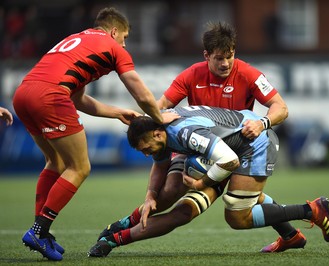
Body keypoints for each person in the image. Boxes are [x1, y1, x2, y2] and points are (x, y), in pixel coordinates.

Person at [93, 21, 306, 255]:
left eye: (230, 56)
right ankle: (125, 224)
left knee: (206, 208)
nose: (225, 63)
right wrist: (152, 118)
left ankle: (298, 223)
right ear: (206, 55)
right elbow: (160, 108)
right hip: (197, 144)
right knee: (169, 191)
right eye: (219, 58)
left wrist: (261, 122)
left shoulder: (248, 73)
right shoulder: (191, 75)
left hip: (236, 147)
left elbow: (281, 108)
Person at [13, 7, 175, 261]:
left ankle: (41, 232)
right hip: (50, 96)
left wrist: (117, 112)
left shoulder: (78, 40)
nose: (125, 43)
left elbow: (79, 100)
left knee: (55, 162)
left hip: (23, 93)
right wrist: (158, 118)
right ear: (114, 31)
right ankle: (38, 230)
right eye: (125, 37)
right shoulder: (113, 47)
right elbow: (141, 93)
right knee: (79, 167)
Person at [88, 106, 329, 257]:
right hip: (215, 151)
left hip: (252, 145)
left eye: (145, 148)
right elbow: (160, 162)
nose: (145, 153)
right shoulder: (158, 126)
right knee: (170, 195)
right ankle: (291, 236)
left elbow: (229, 160)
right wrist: (150, 194)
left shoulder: (184, 133)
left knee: (237, 216)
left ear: (157, 133)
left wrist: (201, 183)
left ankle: (311, 209)